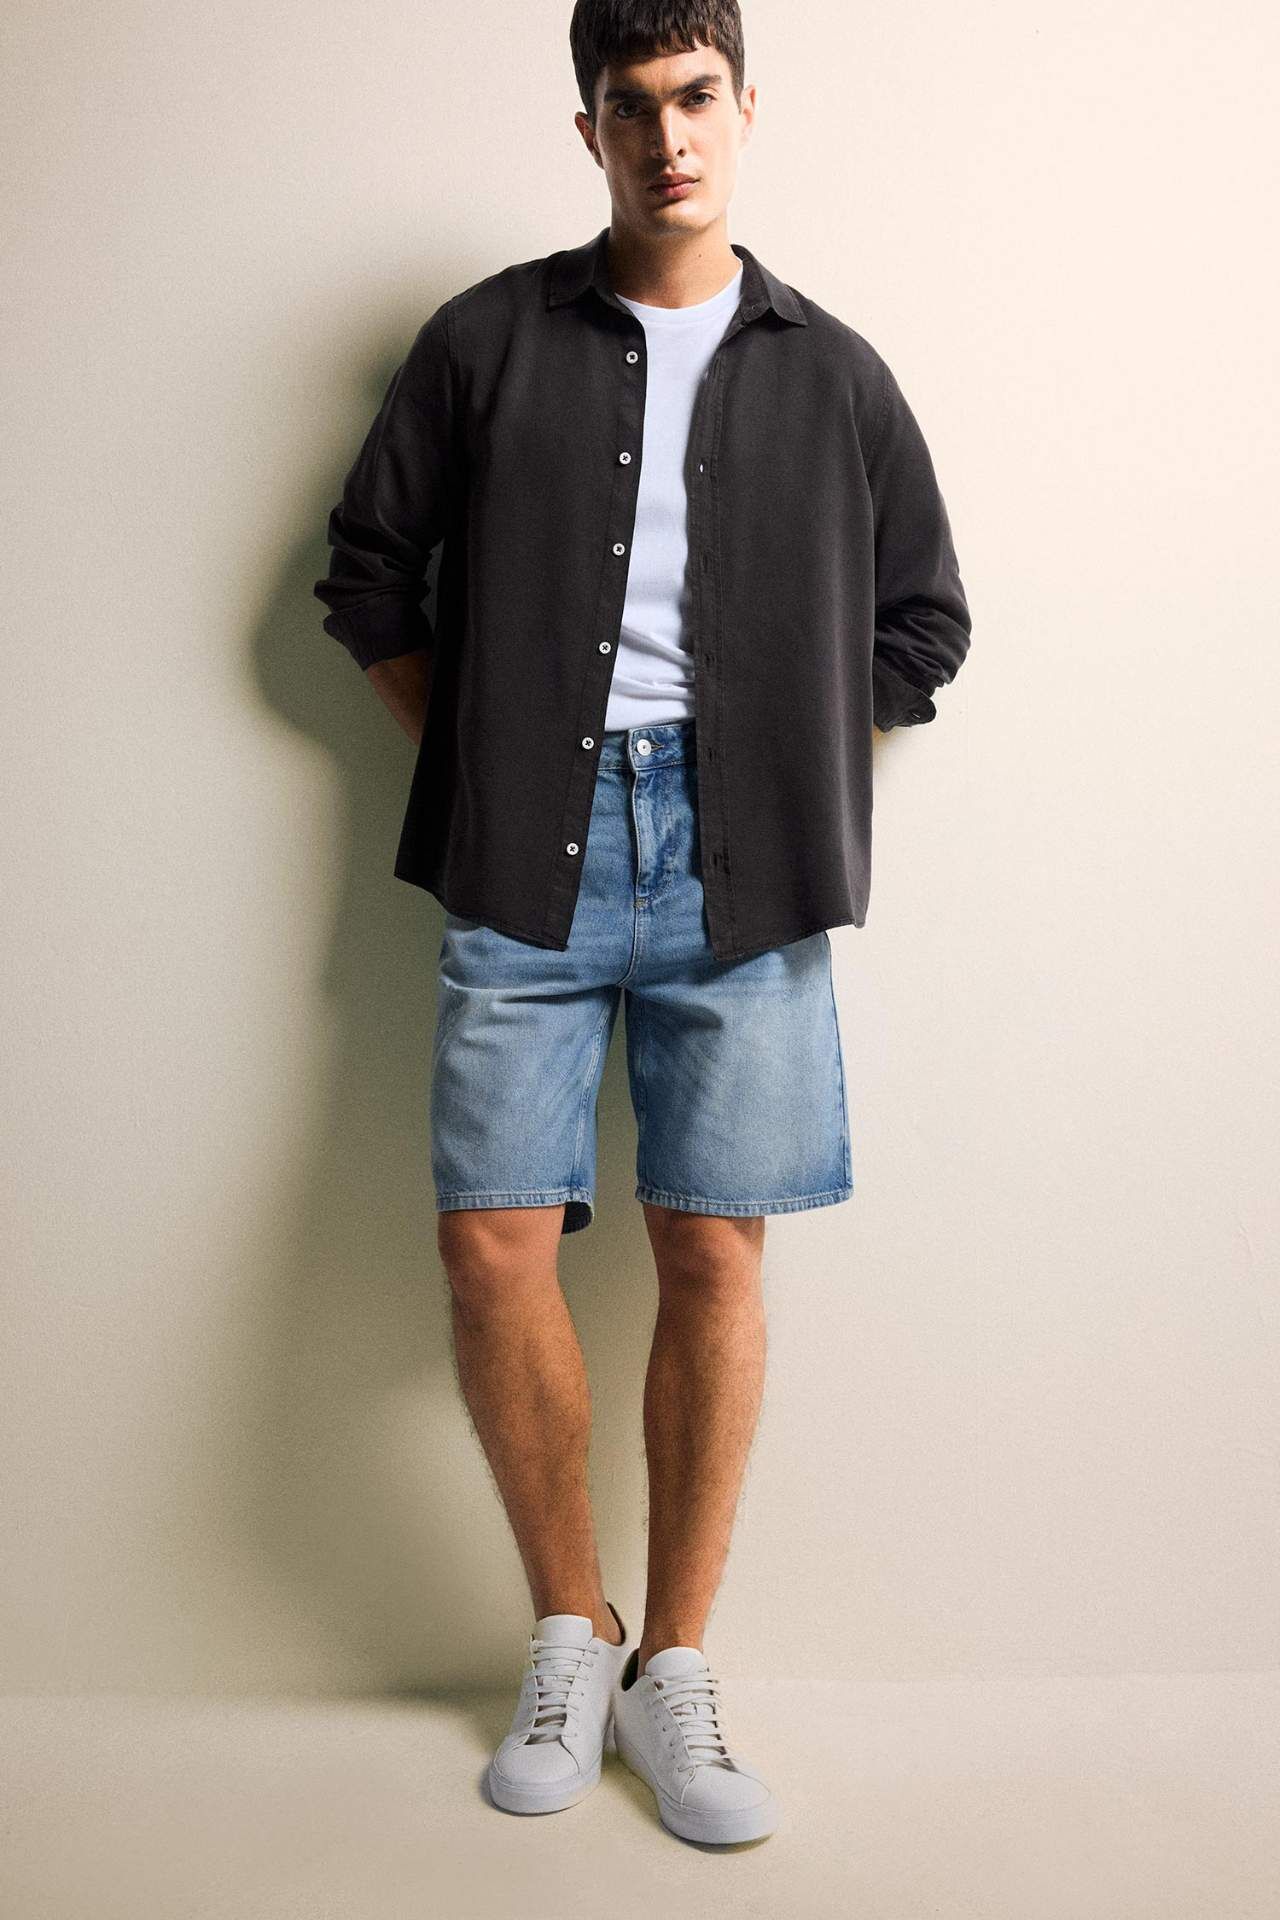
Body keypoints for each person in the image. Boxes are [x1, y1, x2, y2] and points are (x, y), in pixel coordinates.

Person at [312, 0, 970, 1847]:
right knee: (492, 1244)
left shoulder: (833, 372)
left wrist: (778, 767)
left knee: (713, 1253)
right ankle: (570, 1631)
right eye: (631, 105)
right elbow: (367, 576)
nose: (668, 136)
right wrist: (491, 755)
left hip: (741, 866)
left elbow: (925, 621)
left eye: (696, 97)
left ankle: (675, 1664)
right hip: (524, 851)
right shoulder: (485, 342)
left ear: (746, 107)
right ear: (588, 128)